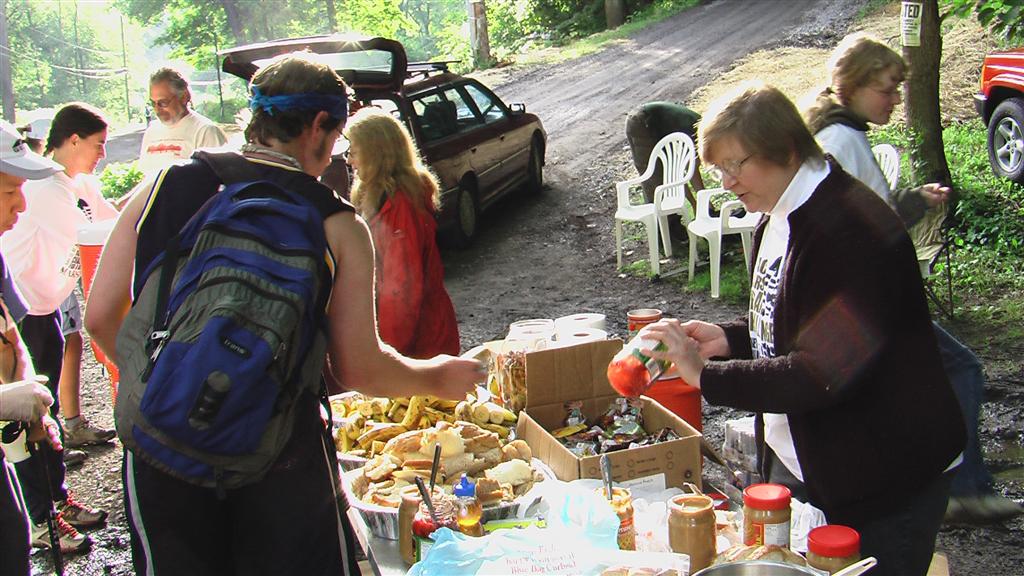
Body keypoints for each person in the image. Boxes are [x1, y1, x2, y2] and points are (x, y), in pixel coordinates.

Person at [84, 53, 482, 576]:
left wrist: (161, 386)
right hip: (280, 459)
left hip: (161, 451)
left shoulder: (160, 188)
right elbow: (359, 369)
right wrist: (439, 375)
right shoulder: (335, 223)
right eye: (337, 135)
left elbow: (98, 316)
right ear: (318, 125)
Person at [642, 83, 965, 576]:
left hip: (885, 476)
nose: (727, 182)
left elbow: (823, 373)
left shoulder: (849, 230)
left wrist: (706, 375)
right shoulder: (778, 212)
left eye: (736, 164)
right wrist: (731, 339)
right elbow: (801, 325)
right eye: (719, 169)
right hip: (813, 459)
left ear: (787, 149)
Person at [804, 34, 1022, 524]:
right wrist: (917, 203)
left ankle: (920, 488)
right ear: (854, 86)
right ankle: (959, 491)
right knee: (961, 370)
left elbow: (864, 212)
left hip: (861, 299)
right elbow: (868, 223)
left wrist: (912, 199)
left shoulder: (843, 134)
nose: (896, 99)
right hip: (868, 302)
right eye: (887, 89)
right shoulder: (841, 140)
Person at [2, 108, 113, 554]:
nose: (22, 204)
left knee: (34, 436)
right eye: (11, 190)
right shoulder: (53, 194)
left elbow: (11, 334)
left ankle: (49, 505)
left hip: (38, 310)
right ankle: (41, 516)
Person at [344, 107, 460, 358]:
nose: (349, 161)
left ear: (376, 153)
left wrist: (388, 355)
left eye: (353, 152)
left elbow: (403, 288)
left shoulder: (402, 203)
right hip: (411, 334)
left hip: (420, 341)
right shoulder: (375, 193)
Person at [137, 67, 228, 174]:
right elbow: (145, 176)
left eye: (163, 102)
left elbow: (222, 181)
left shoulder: (206, 131)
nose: (157, 109)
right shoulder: (152, 132)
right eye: (153, 103)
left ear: (184, 97)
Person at [624, 101, 707, 208]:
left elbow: (680, 173)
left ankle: (669, 218)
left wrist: (698, 204)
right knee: (654, 175)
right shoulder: (699, 135)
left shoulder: (699, 130)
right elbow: (688, 173)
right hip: (643, 120)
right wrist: (695, 204)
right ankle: (664, 220)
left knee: (663, 172)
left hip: (654, 124)